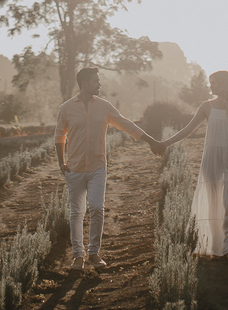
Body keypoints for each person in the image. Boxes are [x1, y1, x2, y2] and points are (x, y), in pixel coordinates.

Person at [55, 66, 164, 272]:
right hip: (74, 169)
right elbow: (59, 136)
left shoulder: (104, 107)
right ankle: (78, 256)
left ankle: (94, 253)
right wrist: (62, 163)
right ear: (84, 83)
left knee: (97, 208)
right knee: (77, 213)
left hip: (97, 167)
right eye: (95, 81)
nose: (99, 84)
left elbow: (126, 124)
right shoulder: (66, 108)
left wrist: (151, 141)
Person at [159, 70, 228, 260]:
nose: (211, 85)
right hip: (212, 160)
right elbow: (188, 129)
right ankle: (215, 245)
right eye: (210, 82)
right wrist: (166, 143)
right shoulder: (206, 107)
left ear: (224, 84)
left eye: (214, 82)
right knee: (213, 204)